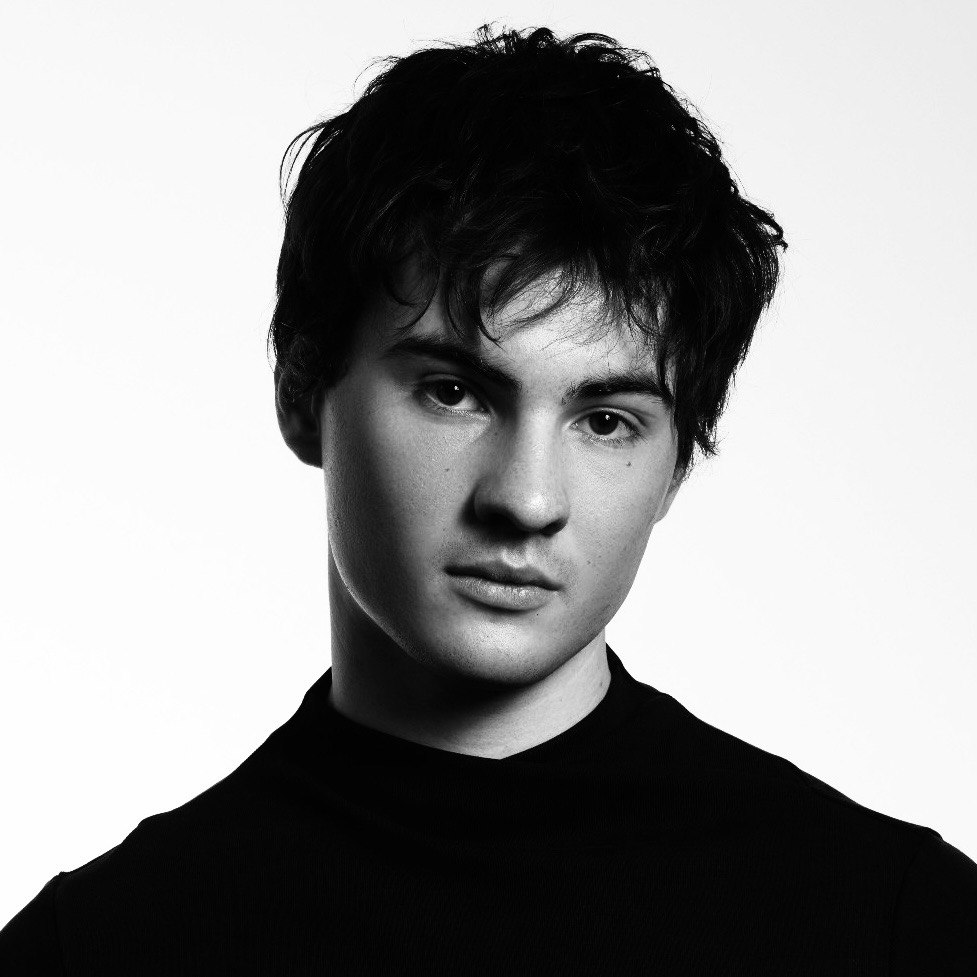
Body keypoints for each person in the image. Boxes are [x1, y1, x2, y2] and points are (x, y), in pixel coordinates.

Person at [2, 24, 975, 975]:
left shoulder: (898, 926)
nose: (527, 497)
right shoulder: (100, 948)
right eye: (453, 392)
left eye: (605, 419)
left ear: (678, 462)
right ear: (301, 390)